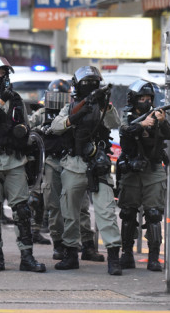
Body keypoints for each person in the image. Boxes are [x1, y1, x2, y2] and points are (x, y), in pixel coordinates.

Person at [0, 56, 46, 273]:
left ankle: (27, 257)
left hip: (15, 162)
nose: (1, 77)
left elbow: (26, 128)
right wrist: (1, 102)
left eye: (4, 73)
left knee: (22, 210)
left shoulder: (16, 99)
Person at [50, 66, 123, 275]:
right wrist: (76, 115)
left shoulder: (103, 107)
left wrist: (104, 105)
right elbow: (56, 127)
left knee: (106, 213)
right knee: (70, 213)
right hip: (73, 165)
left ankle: (114, 258)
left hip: (97, 165)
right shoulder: (71, 106)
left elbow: (114, 123)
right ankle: (71, 255)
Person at [29, 79, 103, 262]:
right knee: (54, 205)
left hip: (73, 161)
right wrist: (41, 130)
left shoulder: (76, 110)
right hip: (53, 162)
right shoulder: (41, 114)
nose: (58, 101)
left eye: (63, 97)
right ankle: (59, 244)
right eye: (54, 96)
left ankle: (87, 244)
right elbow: (28, 133)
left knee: (82, 206)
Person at [117, 79, 170, 272]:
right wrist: (142, 125)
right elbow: (124, 131)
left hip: (153, 169)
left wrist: (162, 121)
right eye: (142, 98)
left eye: (149, 98)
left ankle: (154, 257)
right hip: (132, 170)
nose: (146, 101)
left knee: (154, 214)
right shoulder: (127, 116)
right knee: (128, 213)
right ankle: (126, 254)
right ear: (134, 99)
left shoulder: (156, 114)